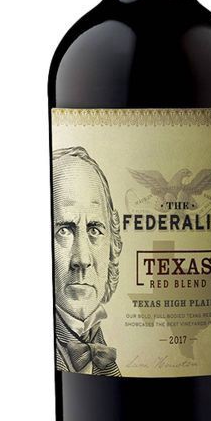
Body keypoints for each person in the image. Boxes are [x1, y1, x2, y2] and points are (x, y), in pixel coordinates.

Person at [51, 146, 122, 376]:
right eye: (64, 230)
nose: (82, 259)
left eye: (94, 230)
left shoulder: (100, 347)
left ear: (112, 245)